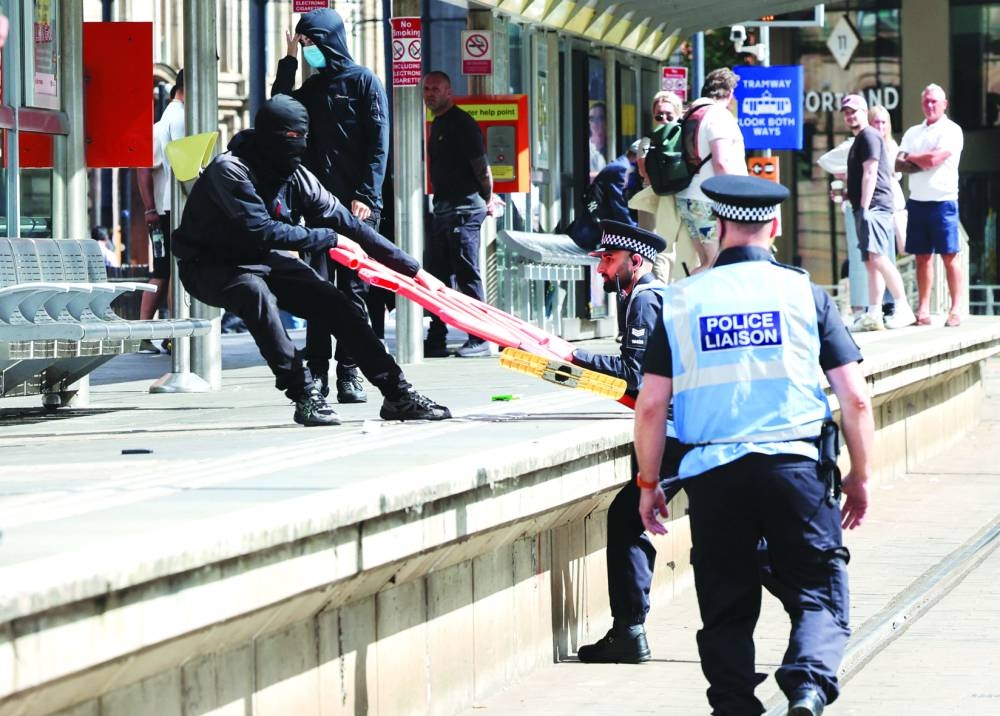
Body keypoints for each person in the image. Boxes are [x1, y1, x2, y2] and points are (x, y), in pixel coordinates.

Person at [635, 174, 874, 716]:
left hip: (713, 475)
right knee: (817, 586)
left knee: (725, 600)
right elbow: (855, 399)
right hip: (796, 468)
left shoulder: (681, 301)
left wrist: (649, 484)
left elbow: (651, 407)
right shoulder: (805, 295)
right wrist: (859, 474)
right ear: (776, 227)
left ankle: (734, 704)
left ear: (718, 228)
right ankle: (809, 686)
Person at [171, 95, 451, 427]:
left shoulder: (297, 175)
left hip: (259, 257)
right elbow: (261, 229)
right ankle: (303, 394)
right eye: (288, 140)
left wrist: (414, 270)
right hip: (208, 264)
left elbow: (349, 223)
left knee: (336, 303)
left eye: (301, 139)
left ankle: (398, 394)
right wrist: (328, 239)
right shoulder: (229, 170)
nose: (296, 148)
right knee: (254, 294)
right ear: (267, 136)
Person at [567, 220, 689, 663]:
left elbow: (635, 375)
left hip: (678, 431)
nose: (601, 268)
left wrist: (574, 355)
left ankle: (629, 632)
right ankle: (813, 604)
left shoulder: (645, 301)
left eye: (609, 259)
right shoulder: (650, 296)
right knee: (738, 529)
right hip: (691, 428)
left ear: (634, 262)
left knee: (626, 519)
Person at [271, 7, 389, 403]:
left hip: (358, 210)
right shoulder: (312, 89)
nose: (308, 51)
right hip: (317, 212)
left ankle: (350, 373)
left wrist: (367, 198)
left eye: (310, 43)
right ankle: (318, 370)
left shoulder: (364, 83)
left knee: (355, 292)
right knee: (319, 291)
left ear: (330, 40)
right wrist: (288, 60)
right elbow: (279, 110)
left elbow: (378, 145)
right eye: (303, 44)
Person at [422, 71, 498, 359]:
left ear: (449, 91)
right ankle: (437, 336)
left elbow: (482, 167)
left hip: (465, 210)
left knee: (467, 274)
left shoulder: (462, 123)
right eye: (427, 88)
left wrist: (487, 198)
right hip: (443, 210)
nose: (430, 94)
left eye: (436, 89)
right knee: (436, 276)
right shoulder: (438, 123)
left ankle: (479, 337)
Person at [841, 93, 916, 331]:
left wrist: (864, 207)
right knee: (871, 262)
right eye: (847, 113)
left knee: (879, 258)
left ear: (865, 112)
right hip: (866, 206)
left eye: (854, 111)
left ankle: (902, 306)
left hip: (874, 206)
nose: (850, 116)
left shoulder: (870, 137)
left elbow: (871, 173)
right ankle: (874, 313)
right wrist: (847, 196)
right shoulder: (861, 139)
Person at [897, 84, 965, 327]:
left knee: (949, 255)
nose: (930, 105)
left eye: (935, 101)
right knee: (922, 257)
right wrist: (922, 159)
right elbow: (898, 163)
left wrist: (914, 158)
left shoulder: (951, 130)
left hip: (944, 201)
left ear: (944, 104)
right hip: (917, 201)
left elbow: (936, 158)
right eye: (926, 101)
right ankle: (923, 309)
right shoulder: (913, 132)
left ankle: (955, 309)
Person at [675, 68, 747, 271]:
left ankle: (690, 299)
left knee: (706, 261)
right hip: (709, 202)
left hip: (689, 198)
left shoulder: (691, 114)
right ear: (730, 93)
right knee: (716, 262)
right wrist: (733, 200)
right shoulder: (719, 116)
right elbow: (722, 162)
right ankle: (688, 300)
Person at [136, 69, 185, 354]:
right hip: (168, 209)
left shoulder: (162, 125)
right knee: (168, 269)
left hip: (163, 210)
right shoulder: (170, 124)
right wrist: (150, 208)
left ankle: (148, 330)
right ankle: (169, 331)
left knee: (162, 269)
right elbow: (143, 169)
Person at [628, 90, 700, 283]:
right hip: (657, 199)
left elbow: (643, 169)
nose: (664, 119)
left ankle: (668, 292)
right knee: (658, 249)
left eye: (669, 114)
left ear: (678, 113)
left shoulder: (648, 140)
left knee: (668, 248)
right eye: (659, 115)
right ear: (653, 116)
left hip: (664, 195)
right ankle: (661, 293)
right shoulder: (681, 138)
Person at [869, 105, 907, 257]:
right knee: (879, 251)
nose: (880, 126)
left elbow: (897, 174)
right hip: (875, 204)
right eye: (876, 122)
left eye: (884, 122)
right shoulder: (866, 143)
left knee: (903, 247)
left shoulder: (891, 146)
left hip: (893, 203)